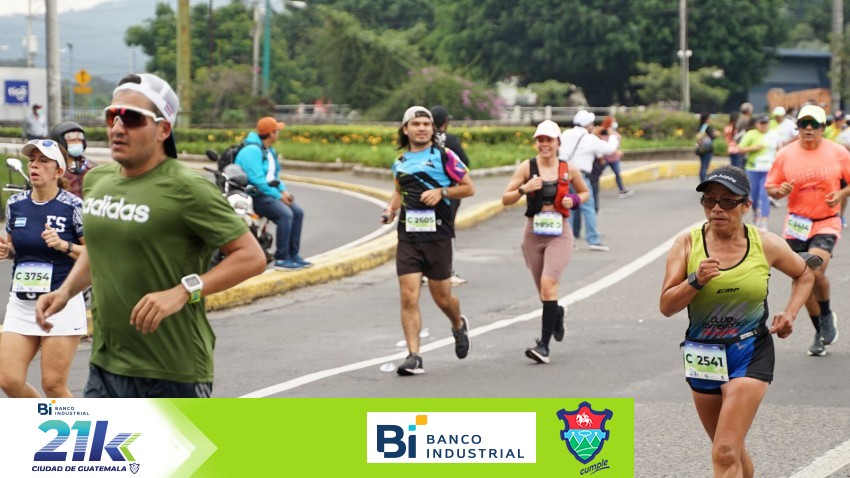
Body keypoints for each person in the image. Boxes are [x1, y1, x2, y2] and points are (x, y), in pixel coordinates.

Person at [35, 73, 266, 398]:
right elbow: (99, 249)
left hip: (173, 371)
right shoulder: (97, 181)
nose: (118, 128)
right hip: (106, 365)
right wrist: (65, 292)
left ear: (163, 129)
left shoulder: (189, 188)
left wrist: (184, 291)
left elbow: (251, 257)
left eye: (132, 118)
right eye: (112, 116)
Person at [659, 165, 814, 478]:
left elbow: (805, 273)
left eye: (728, 201)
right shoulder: (686, 244)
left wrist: (790, 313)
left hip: (749, 350)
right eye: (709, 200)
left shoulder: (765, 243)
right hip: (703, 354)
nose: (717, 208)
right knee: (731, 450)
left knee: (725, 451)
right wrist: (695, 280)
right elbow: (667, 306)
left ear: (746, 205)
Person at [381, 106, 474, 376]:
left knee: (442, 298)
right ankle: (414, 356)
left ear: (432, 129)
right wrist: (390, 210)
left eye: (426, 124)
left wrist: (442, 192)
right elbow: (399, 190)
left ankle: (458, 324)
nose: (421, 128)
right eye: (416, 124)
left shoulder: (445, 157)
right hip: (408, 237)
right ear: (405, 129)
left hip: (438, 236)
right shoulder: (400, 162)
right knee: (408, 295)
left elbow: (469, 188)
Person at [0, 140, 86, 398]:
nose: (34, 165)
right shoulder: (15, 204)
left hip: (61, 302)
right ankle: (42, 417)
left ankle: (73, 424)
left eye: (43, 160)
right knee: (8, 380)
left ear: (58, 171)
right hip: (22, 302)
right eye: (32, 160)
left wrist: (64, 245)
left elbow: (94, 254)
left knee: (53, 385)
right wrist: (6, 251)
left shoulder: (73, 206)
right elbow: (15, 248)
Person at [501, 120, 590, 363]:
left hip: (560, 233)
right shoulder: (527, 167)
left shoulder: (568, 168)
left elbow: (584, 192)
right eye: (540, 140)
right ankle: (556, 312)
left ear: (558, 142)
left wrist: (574, 200)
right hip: (533, 233)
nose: (544, 144)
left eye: (548, 140)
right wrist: (524, 189)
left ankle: (543, 347)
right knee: (544, 292)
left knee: (549, 285)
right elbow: (505, 199)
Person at [766, 105, 850, 356]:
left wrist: (842, 193)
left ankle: (826, 314)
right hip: (797, 224)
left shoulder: (838, 152)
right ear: (798, 127)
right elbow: (771, 187)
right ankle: (819, 330)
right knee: (801, 277)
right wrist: (779, 191)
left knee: (814, 268)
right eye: (804, 123)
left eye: (815, 124)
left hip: (826, 220)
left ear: (823, 127)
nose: (809, 128)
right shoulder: (785, 154)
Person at [235, 116, 310, 270]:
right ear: (271, 133)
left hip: (268, 193)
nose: (279, 134)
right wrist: (278, 196)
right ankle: (282, 258)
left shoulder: (269, 151)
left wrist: (284, 191)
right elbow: (258, 181)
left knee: (298, 212)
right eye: (277, 131)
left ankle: (293, 255)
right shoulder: (252, 151)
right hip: (255, 195)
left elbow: (273, 176)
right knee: (285, 214)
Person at [559, 110, 618, 251]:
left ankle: (568, 241)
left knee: (569, 206)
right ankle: (593, 239)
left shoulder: (566, 134)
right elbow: (609, 149)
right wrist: (612, 136)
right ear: (587, 124)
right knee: (588, 206)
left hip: (564, 174)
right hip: (580, 176)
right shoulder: (589, 138)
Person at [431, 105, 470, 287]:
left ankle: (426, 271)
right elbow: (464, 163)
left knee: (427, 230)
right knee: (447, 231)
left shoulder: (424, 140)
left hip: (425, 191)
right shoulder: (450, 140)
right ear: (445, 122)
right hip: (449, 192)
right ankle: (449, 271)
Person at [738, 115, 780, 231]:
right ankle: (756, 212)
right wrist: (753, 148)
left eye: (765, 123)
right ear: (757, 124)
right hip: (753, 169)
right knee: (754, 196)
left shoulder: (773, 135)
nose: (763, 125)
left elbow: (779, 149)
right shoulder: (750, 134)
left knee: (764, 195)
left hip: (768, 170)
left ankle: (764, 222)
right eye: (761, 123)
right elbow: (740, 149)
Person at [588, 116, 632, 211]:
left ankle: (622, 190)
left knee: (617, 173)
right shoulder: (602, 132)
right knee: (596, 174)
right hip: (605, 158)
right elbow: (604, 146)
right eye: (613, 122)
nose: (615, 123)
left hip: (614, 158)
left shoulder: (613, 133)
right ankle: (591, 189)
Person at [50, 121, 98, 198]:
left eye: (79, 140)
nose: (77, 143)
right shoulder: (51, 169)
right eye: (72, 140)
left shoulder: (91, 168)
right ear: (60, 142)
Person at [696, 112, 718, 183]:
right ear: (707, 119)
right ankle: (703, 182)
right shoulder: (707, 127)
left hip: (701, 149)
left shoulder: (700, 127)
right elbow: (712, 136)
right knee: (705, 167)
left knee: (702, 166)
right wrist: (715, 134)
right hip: (707, 150)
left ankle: (701, 181)